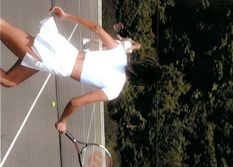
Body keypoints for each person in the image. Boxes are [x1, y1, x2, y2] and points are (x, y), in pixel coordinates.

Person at [0, 6, 162, 134]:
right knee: (2, 28)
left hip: (61, 49)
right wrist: (63, 121)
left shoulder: (120, 52)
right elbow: (74, 102)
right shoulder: (114, 90)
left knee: (9, 80)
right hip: (52, 59)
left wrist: (66, 16)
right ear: (141, 81)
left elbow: (96, 28)